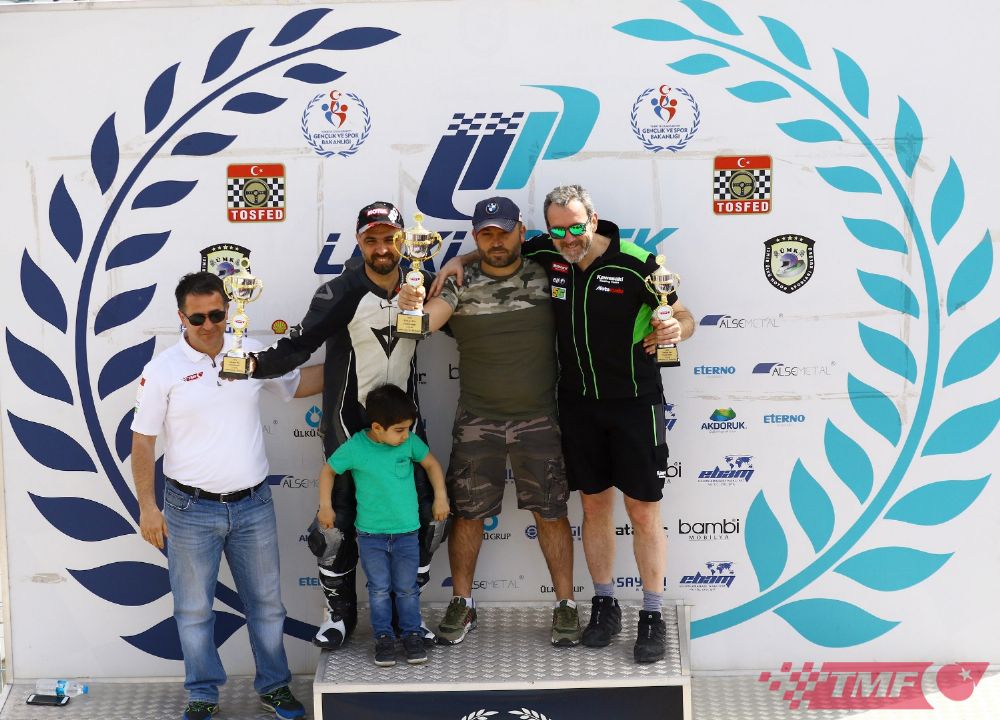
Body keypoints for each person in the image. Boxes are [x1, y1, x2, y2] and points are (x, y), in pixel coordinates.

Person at [432, 185, 694, 663]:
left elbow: (680, 313)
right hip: (577, 405)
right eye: (559, 230)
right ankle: (604, 605)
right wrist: (458, 261)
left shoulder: (638, 262)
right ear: (546, 231)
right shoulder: (548, 253)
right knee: (594, 507)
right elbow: (499, 247)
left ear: (593, 219)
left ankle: (652, 614)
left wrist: (677, 327)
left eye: (576, 227)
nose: (569, 238)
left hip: (635, 403)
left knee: (642, 511)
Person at [245, 201, 442, 650]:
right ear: (359, 242)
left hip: (404, 433)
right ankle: (340, 616)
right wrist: (252, 365)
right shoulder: (340, 292)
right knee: (335, 530)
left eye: (390, 238)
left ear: (404, 241)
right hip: (347, 429)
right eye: (371, 240)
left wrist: (453, 280)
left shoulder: (422, 282)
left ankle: (406, 618)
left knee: (426, 524)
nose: (381, 248)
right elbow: (299, 345)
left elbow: (457, 319)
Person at [132, 271, 322, 720]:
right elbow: (143, 442)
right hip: (189, 509)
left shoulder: (251, 352)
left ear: (228, 311)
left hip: (253, 505)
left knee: (267, 606)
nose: (209, 325)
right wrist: (147, 507)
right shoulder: (162, 370)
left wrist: (356, 360)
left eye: (216, 315)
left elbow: (297, 385)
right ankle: (202, 693)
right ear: (181, 317)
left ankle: (274, 687)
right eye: (197, 317)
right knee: (194, 610)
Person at [398, 196, 580, 647]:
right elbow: (427, 322)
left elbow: (589, 246)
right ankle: (463, 602)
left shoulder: (548, 271)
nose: (495, 241)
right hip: (477, 421)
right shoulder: (459, 282)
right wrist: (414, 310)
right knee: (468, 515)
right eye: (486, 234)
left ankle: (566, 604)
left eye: (503, 232)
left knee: (552, 513)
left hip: (540, 420)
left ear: (522, 232)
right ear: (475, 237)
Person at [317, 384, 449, 666]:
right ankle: (384, 638)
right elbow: (328, 471)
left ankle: (411, 634)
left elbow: (432, 465)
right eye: (399, 430)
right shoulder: (355, 447)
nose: (406, 435)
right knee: (378, 589)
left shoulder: (409, 443)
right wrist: (326, 506)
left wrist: (441, 497)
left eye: (408, 429)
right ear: (377, 427)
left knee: (407, 588)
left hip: (407, 534)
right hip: (371, 537)